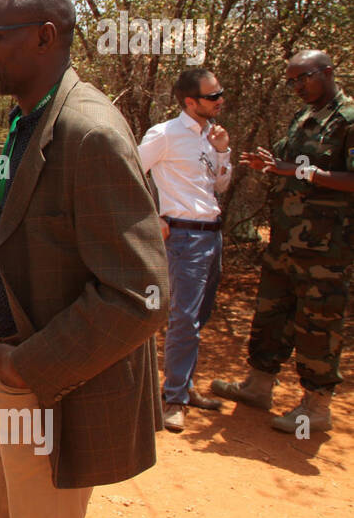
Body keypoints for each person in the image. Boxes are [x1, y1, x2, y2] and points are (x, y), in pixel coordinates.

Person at [0, 0, 166, 518]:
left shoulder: (89, 132)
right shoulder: (29, 121)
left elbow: (141, 292)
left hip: (50, 385)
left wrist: (29, 367)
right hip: (9, 365)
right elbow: (15, 240)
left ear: (45, 37)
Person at [214, 49, 354, 434]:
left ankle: (316, 408)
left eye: (302, 78)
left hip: (325, 249)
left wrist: (301, 171)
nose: (296, 87)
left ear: (327, 72)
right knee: (270, 315)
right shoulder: (303, 118)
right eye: (291, 81)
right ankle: (259, 386)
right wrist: (271, 165)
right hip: (284, 241)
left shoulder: (348, 120)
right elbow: (291, 168)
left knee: (318, 323)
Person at [137, 68, 232, 432]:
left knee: (199, 317)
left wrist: (223, 151)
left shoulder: (213, 136)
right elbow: (128, 169)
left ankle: (185, 387)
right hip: (184, 238)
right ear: (190, 102)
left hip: (212, 234)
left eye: (220, 93)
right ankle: (173, 398)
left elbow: (220, 186)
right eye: (213, 96)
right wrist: (152, 215)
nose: (220, 100)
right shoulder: (166, 134)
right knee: (184, 319)